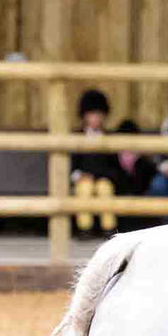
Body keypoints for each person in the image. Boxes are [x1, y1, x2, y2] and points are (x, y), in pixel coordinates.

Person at [69, 89, 119, 233]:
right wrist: (78, 176)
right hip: (83, 178)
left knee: (105, 188)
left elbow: (114, 164)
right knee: (84, 188)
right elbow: (72, 165)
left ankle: (109, 228)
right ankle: (85, 228)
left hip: (104, 177)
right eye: (92, 115)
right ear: (84, 116)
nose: (96, 119)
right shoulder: (77, 137)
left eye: (99, 115)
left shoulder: (109, 137)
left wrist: (106, 176)